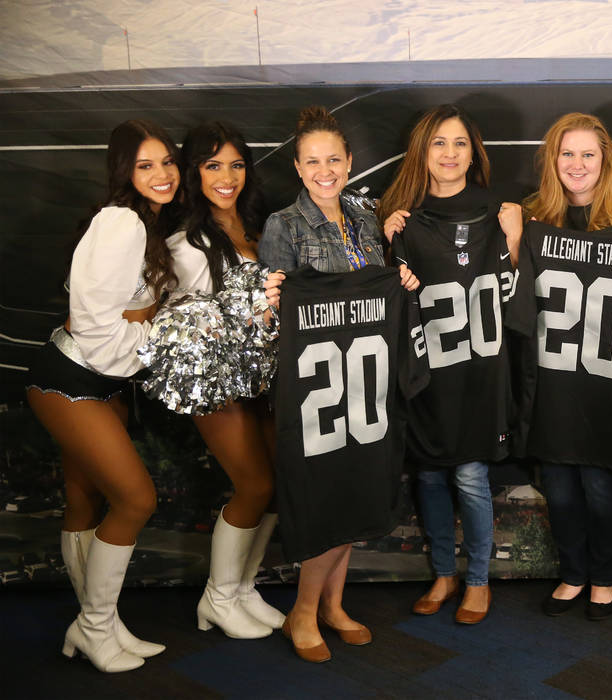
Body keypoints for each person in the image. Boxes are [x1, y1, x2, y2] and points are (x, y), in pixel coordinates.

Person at [258, 105, 419, 663]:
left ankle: (333, 605)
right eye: (312, 162)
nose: (324, 170)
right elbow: (269, 313)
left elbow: (381, 292)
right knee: (326, 500)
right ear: (298, 168)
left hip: (367, 383)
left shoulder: (366, 217)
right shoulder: (284, 224)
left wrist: (402, 279)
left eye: (334, 159)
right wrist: (273, 302)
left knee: (357, 491)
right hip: (317, 389)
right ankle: (302, 612)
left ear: (349, 162)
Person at [508, 112, 612, 621]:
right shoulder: (538, 225)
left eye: (588, 153)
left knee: (603, 491)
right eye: (566, 153)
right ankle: (573, 572)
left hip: (609, 387)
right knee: (559, 491)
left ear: (605, 160)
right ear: (552, 162)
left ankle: (604, 576)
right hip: (556, 385)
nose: (576, 164)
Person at [25, 119, 180, 672]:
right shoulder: (121, 222)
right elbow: (94, 325)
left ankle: (101, 624)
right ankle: (93, 627)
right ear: (124, 172)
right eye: (145, 165)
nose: (161, 174)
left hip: (102, 380)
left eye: (166, 161)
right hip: (70, 378)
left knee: (85, 502)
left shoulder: (148, 223)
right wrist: (161, 339)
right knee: (136, 500)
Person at [379, 104, 522, 624]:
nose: (449, 153)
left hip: (480, 371)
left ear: (473, 152)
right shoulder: (402, 220)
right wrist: (390, 237)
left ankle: (478, 580)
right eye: (439, 142)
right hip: (429, 370)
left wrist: (514, 239)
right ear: (423, 151)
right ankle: (443, 573)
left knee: (470, 477)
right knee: (432, 478)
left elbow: (516, 298)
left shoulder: (499, 212)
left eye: (459, 142)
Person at [167, 121, 284, 639]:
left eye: (236, 164)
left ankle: (241, 588)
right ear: (194, 172)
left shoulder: (259, 226)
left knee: (275, 486)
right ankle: (217, 597)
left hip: (264, 376)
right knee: (253, 484)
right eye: (213, 165)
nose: (227, 176)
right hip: (216, 380)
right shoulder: (186, 242)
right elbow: (191, 320)